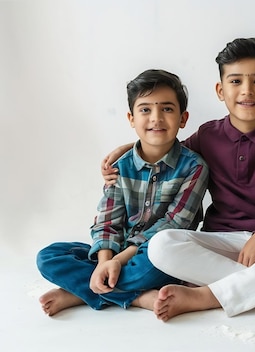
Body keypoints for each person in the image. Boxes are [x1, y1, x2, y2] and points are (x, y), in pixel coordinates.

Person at [101, 38, 255, 321]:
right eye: (236, 81)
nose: (247, 91)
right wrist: (127, 149)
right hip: (216, 242)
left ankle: (206, 296)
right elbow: (164, 150)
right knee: (161, 245)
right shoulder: (206, 136)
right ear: (220, 90)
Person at [36, 69, 209, 316]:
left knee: (153, 268)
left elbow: (174, 224)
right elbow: (108, 220)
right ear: (131, 118)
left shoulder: (194, 167)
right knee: (48, 256)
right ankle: (135, 297)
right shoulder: (120, 166)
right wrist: (106, 261)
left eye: (167, 109)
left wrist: (119, 262)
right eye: (145, 109)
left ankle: (79, 291)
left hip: (158, 256)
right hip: (117, 250)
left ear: (183, 118)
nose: (156, 118)